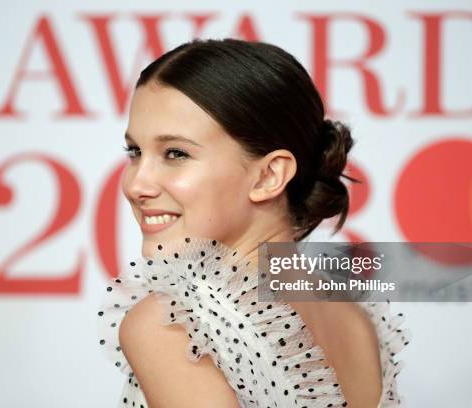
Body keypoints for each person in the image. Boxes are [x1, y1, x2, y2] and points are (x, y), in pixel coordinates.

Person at [97, 38, 410, 408]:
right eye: (135, 151)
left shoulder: (175, 324)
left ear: (269, 176)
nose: (135, 185)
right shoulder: (354, 313)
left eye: (175, 153)